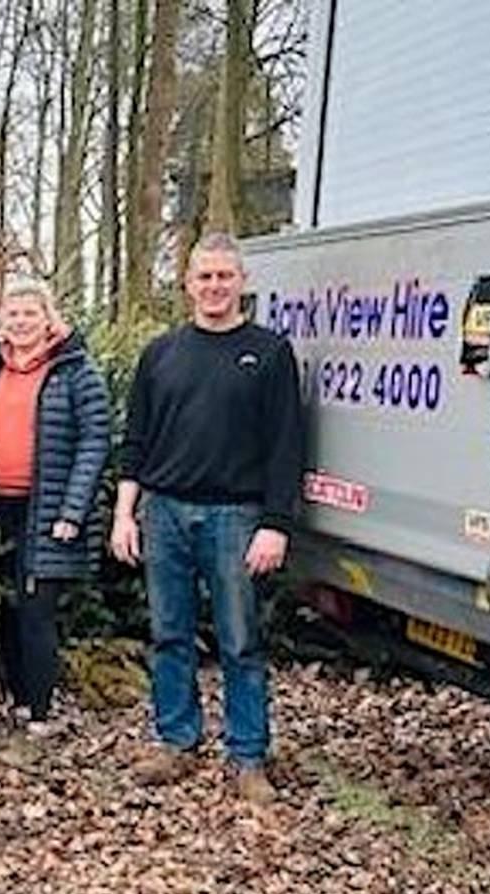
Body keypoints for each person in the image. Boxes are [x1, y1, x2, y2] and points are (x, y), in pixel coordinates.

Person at [111, 233, 306, 805]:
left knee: (239, 639)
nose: (215, 286)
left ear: (242, 282)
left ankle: (248, 755)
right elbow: (136, 441)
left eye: (225, 276)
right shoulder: (161, 354)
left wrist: (276, 524)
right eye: (205, 276)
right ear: (188, 283)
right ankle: (176, 739)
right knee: (169, 632)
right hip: (163, 510)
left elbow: (286, 446)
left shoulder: (269, 353)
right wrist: (125, 513)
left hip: (235, 516)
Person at [0, 278, 111, 755]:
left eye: (29, 314)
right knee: (6, 609)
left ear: (48, 319)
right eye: (12, 315)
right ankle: (16, 701)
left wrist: (72, 511)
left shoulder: (76, 372)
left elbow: (96, 442)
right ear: (2, 323)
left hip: (47, 509)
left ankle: (39, 715)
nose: (20, 323)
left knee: (37, 611)